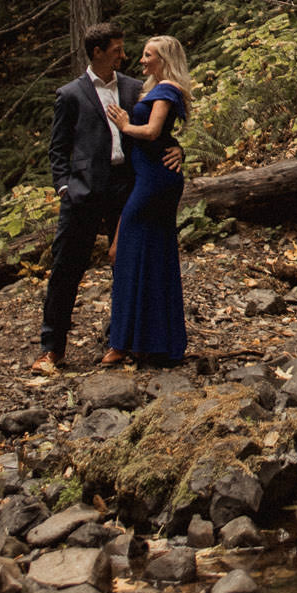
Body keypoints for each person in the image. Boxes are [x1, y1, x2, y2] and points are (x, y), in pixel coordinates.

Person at [33, 21, 145, 373]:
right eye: (116, 52)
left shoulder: (135, 88)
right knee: (66, 268)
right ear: (97, 53)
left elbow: (155, 132)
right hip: (82, 190)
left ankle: (120, 341)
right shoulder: (70, 94)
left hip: (124, 186)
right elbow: (58, 147)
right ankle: (52, 348)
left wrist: (177, 154)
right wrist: (64, 186)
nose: (123, 57)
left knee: (125, 266)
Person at [101, 34, 193, 366]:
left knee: (130, 248)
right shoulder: (152, 87)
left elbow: (154, 131)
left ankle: (129, 341)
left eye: (148, 55)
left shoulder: (167, 88)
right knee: (145, 252)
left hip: (155, 180)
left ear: (164, 58)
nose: (141, 60)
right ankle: (145, 341)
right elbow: (165, 135)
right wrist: (177, 146)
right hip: (146, 176)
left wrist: (125, 125)